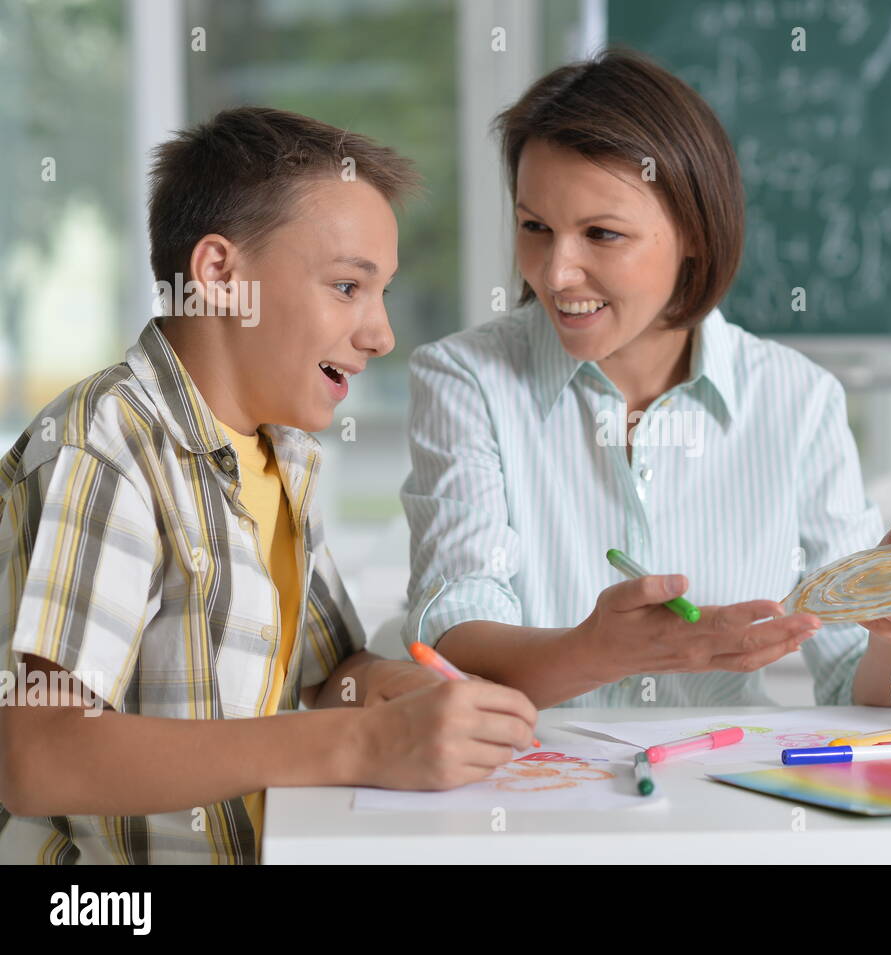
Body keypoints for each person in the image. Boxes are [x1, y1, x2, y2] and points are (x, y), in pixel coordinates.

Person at [0, 107, 537, 864]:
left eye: (380, 293)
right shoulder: (107, 446)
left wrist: (405, 696)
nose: (381, 333)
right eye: (348, 286)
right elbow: (41, 758)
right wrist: (358, 740)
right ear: (220, 275)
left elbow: (332, 676)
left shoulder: (280, 450)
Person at [396, 51, 891, 710]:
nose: (555, 273)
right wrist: (599, 651)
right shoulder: (465, 380)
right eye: (535, 227)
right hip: (525, 794)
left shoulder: (798, 400)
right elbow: (451, 645)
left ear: (694, 235)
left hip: (721, 794)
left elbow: (861, 689)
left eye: (602, 234)